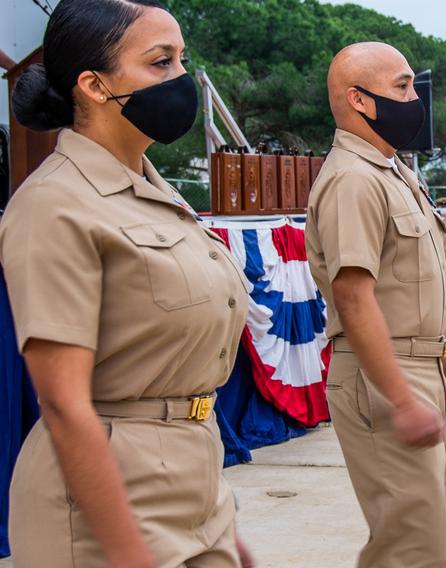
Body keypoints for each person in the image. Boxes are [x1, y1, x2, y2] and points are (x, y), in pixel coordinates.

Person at [0, 1, 254, 565]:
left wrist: (220, 520)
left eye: (182, 60)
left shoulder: (158, 192)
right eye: (161, 63)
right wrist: (126, 548)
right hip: (105, 497)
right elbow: (64, 403)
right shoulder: (54, 205)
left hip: (196, 473)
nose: (181, 80)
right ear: (93, 86)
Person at [305, 42, 446, 568]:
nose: (416, 98)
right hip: (383, 375)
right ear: (360, 100)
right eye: (403, 86)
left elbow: (418, 301)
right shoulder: (353, 179)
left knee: (416, 540)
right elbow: (353, 297)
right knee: (413, 546)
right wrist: (402, 399)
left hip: (418, 366)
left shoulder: (393, 172)